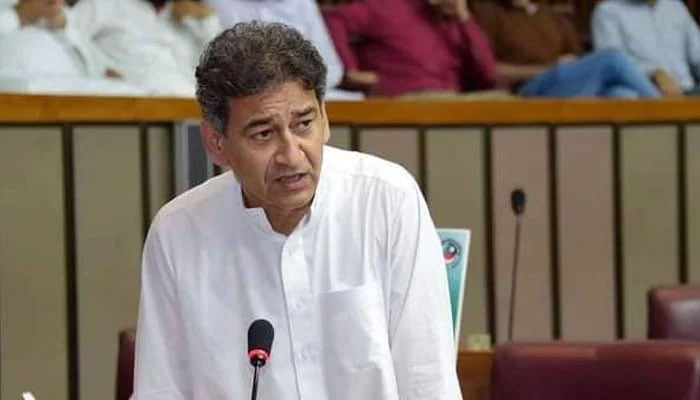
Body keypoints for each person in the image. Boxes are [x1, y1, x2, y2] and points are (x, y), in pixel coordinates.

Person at [134, 21, 462, 400]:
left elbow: (428, 381)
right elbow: (161, 390)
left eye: (303, 124)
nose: (291, 155)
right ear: (215, 143)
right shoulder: (179, 231)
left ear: (325, 118)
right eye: (263, 134)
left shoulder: (386, 200)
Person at [473, 0, 660, 98]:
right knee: (613, 59)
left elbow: (578, 59)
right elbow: (490, 70)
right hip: (529, 87)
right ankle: (670, 112)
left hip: (567, 81)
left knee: (623, 95)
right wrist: (547, 68)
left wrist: (572, 66)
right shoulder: (489, 13)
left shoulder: (550, 14)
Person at [322, 0, 498, 97]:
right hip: (405, 99)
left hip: (454, 100)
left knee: (505, 103)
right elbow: (334, 20)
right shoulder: (386, 7)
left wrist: (464, 18)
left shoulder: (455, 20)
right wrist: (348, 70)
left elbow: (488, 76)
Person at [202, 0, 361, 99]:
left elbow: (331, 70)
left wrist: (292, 86)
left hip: (301, 94)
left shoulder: (302, 3)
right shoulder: (215, 3)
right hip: (242, 97)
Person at [69, 0, 221, 96]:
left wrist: (206, 20)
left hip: (190, 110)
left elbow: (217, 68)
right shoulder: (102, 5)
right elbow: (67, 38)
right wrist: (100, 67)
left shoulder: (185, 17)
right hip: (135, 109)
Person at [591, 0, 700, 96]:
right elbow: (610, 65)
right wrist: (653, 73)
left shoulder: (676, 7)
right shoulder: (608, 12)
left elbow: (697, 55)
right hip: (644, 93)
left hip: (688, 91)